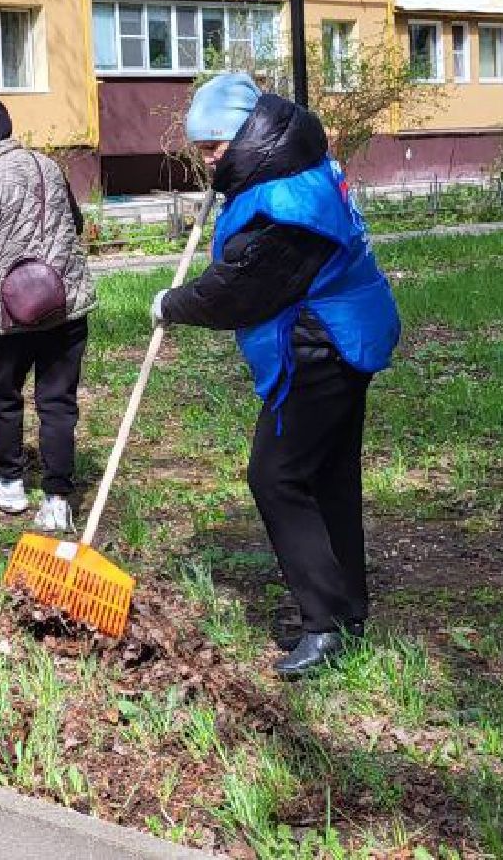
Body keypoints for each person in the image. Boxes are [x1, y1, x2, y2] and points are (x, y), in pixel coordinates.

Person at [152, 72, 401, 679]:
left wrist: (171, 303)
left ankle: (324, 623)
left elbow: (239, 291)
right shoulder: (285, 166)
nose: (208, 160)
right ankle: (345, 613)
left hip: (321, 344)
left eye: (214, 147)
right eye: (203, 149)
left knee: (276, 476)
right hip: (344, 333)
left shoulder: (288, 204)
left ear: (244, 134)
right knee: (327, 477)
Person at [0, 100, 96, 534]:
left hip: (13, 314)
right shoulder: (48, 166)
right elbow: (76, 222)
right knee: (58, 403)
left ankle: (9, 482)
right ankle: (57, 501)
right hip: (65, 305)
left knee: (6, 397)